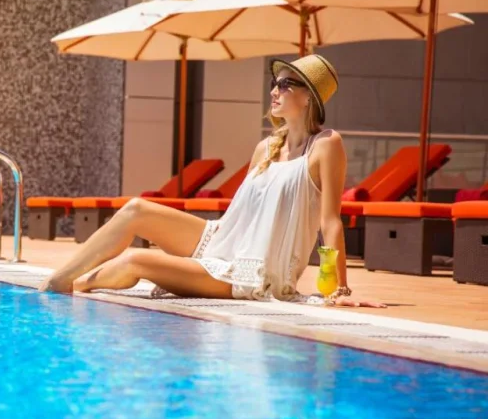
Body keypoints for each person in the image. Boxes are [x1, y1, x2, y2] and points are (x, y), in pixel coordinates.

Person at [39, 54, 385, 308]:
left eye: (285, 83)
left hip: (252, 270)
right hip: (224, 242)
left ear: (309, 96)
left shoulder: (326, 145)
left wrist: (339, 289)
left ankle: (72, 285)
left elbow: (331, 222)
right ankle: (61, 279)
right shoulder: (265, 147)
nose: (274, 91)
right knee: (135, 209)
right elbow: (241, 216)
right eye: (273, 83)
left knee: (136, 261)